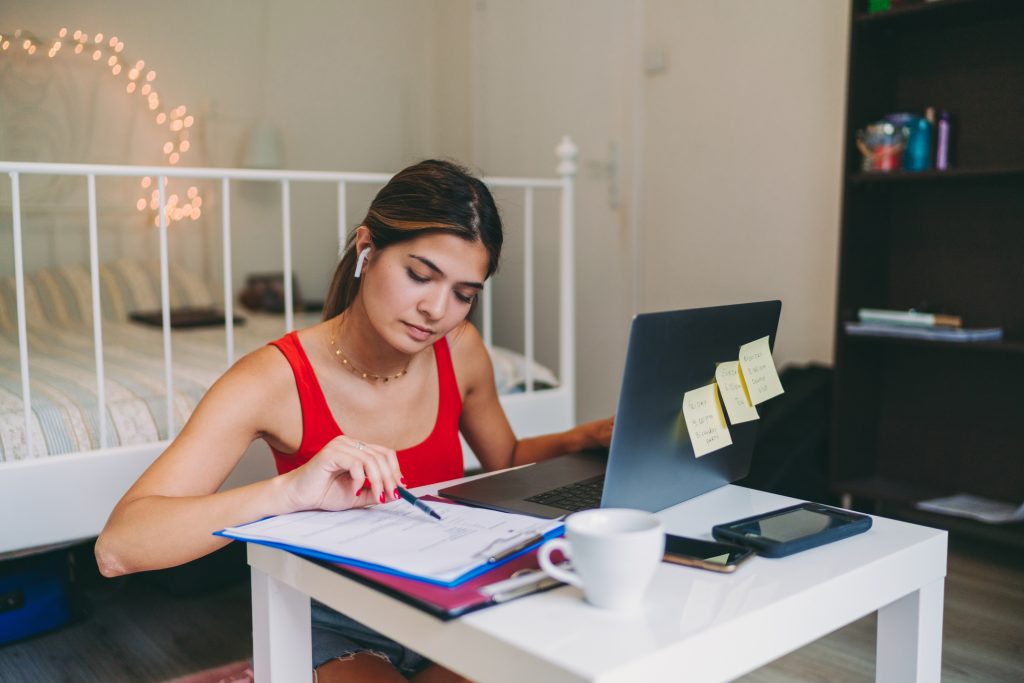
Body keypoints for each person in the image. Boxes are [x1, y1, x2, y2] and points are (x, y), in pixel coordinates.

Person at [95, 159, 612, 682]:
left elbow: (506, 462)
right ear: (367, 249)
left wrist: (585, 437)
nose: (437, 310)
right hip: (337, 622)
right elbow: (119, 547)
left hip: (447, 602)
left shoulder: (462, 350)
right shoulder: (272, 380)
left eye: (463, 294)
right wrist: (290, 492)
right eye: (419, 275)